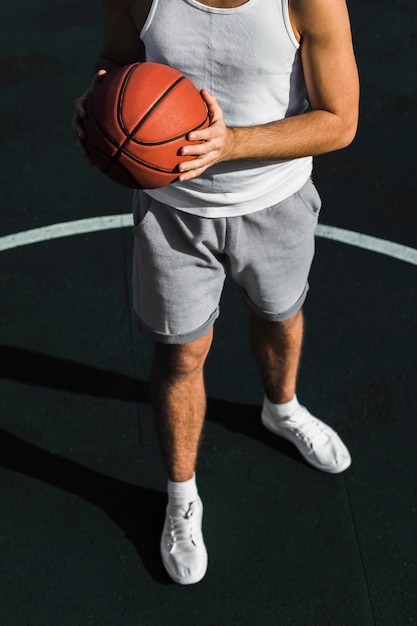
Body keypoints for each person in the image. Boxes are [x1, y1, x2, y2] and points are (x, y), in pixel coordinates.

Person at [72, 0, 359, 585]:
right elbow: (114, 62)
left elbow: (339, 120)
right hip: (172, 215)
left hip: (276, 201)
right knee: (181, 354)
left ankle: (282, 409)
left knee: (281, 315)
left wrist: (229, 144)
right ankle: (182, 496)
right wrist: (98, 105)